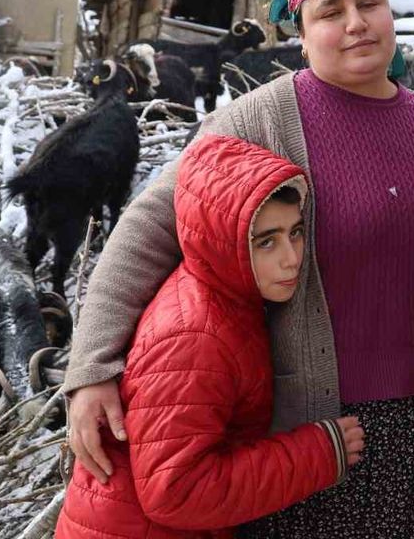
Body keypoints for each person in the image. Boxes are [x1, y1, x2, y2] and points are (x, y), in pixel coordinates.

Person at [61, 0, 414, 538]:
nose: (356, 22)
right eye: (330, 10)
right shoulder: (259, 122)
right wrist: (91, 367)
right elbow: (147, 230)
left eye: (370, 2)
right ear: (301, 31)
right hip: (323, 432)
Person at [55, 136, 365, 538]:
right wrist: (319, 452)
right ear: (221, 240)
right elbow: (175, 491)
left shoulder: (227, 300)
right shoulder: (195, 335)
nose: (292, 257)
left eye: (296, 232)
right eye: (266, 241)